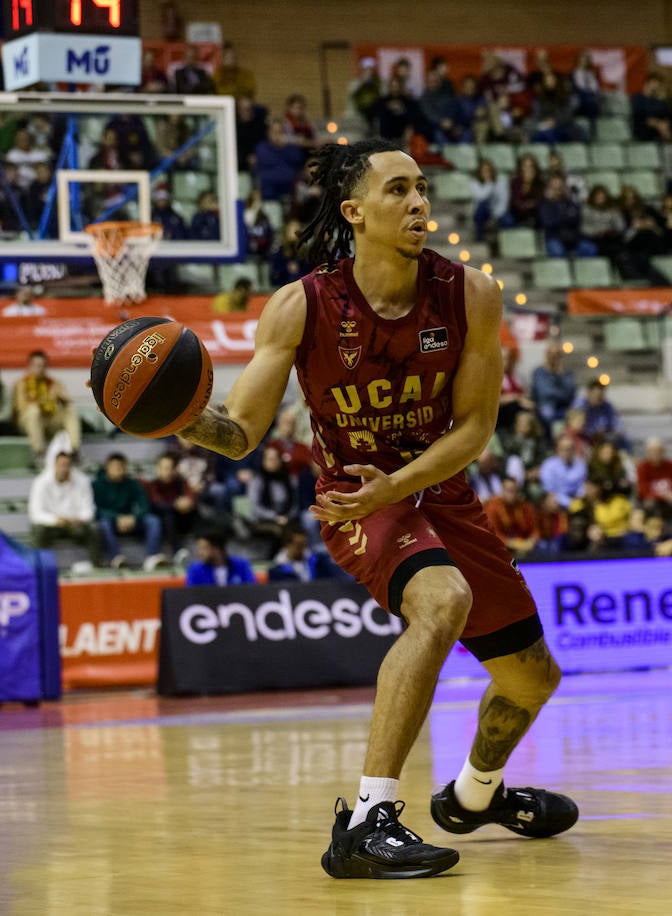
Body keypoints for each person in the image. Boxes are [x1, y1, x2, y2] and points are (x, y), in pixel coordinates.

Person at [173, 138, 575, 879]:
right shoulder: (301, 305)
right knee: (442, 601)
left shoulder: (471, 294)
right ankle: (366, 820)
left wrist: (402, 484)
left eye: (422, 188)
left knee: (532, 680)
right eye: (398, 190)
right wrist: (180, 418)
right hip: (358, 500)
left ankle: (475, 796)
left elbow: (474, 430)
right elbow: (240, 432)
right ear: (354, 211)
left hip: (437, 490)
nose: (419, 201)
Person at [28, 444, 103, 571]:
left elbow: (89, 510)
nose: (64, 469)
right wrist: (57, 520)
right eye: (61, 465)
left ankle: (97, 566)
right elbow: (36, 514)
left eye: (67, 465)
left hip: (75, 525)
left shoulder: (82, 480)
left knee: (94, 529)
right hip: (52, 525)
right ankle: (38, 568)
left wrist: (78, 519)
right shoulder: (40, 482)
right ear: (54, 465)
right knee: (38, 530)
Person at [93, 453, 165, 570]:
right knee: (103, 524)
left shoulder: (132, 484)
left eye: (121, 467)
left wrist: (134, 518)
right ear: (107, 467)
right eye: (115, 467)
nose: (118, 470)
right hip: (111, 521)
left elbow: (144, 504)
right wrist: (117, 518)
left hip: (132, 520)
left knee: (153, 520)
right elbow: (96, 510)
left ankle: (151, 557)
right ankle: (115, 558)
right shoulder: (97, 485)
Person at [13, 350, 80, 466]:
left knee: (70, 411)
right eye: (37, 365)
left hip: (49, 420)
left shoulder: (53, 383)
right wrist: (46, 401)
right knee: (33, 410)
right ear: (30, 366)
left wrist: (61, 398)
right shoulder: (21, 383)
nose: (41, 369)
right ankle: (39, 453)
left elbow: (68, 401)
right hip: (28, 422)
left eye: (43, 365)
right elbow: (21, 407)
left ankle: (74, 451)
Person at [636, 438, 672, 533]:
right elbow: (643, 491)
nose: (655, 454)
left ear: (663, 452)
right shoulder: (642, 467)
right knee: (649, 505)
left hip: (671, 500)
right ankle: (653, 534)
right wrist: (661, 495)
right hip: (653, 501)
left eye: (658, 451)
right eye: (652, 451)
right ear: (647, 453)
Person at [484, 476, 539, 557]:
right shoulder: (492, 507)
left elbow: (535, 530)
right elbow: (492, 533)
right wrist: (513, 543)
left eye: (515, 491)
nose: (512, 494)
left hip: (525, 545)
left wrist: (531, 542)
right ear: (502, 490)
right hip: (502, 546)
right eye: (509, 491)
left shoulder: (525, 506)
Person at [268, 521, 342, 581]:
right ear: (287, 545)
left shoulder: (318, 562)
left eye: (304, 545)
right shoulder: (278, 570)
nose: (302, 549)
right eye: (299, 545)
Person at [531, 341, 577, 430]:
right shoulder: (539, 372)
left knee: (579, 407)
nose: (553, 357)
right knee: (547, 413)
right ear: (546, 355)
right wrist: (561, 392)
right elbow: (545, 393)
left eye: (557, 354)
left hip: (565, 405)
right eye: (551, 354)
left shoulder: (567, 373)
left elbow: (571, 391)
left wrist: (560, 374)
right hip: (547, 404)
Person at [185, 529, 256, 586]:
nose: (200, 553)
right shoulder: (195, 570)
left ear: (217, 549)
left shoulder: (241, 565)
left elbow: (251, 591)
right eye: (199, 549)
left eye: (204, 548)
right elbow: (191, 595)